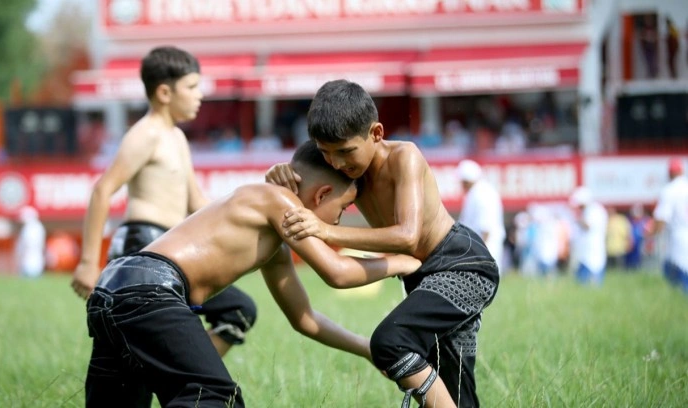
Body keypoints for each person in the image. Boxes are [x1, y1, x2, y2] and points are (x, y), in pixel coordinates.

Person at [84, 140, 422, 407]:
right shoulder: (278, 202)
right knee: (214, 397)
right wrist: (402, 261)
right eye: (343, 208)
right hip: (151, 290)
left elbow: (304, 318)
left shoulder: (273, 240)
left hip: (114, 288)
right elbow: (339, 273)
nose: (337, 221)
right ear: (321, 195)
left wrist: (367, 348)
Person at [265, 79, 499, 408]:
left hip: (462, 265)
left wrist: (327, 232)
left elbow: (408, 235)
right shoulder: (346, 170)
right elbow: (306, 178)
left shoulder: (404, 157)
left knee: (391, 342)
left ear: (376, 133)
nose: (336, 163)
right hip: (421, 275)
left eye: (345, 151)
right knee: (456, 389)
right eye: (326, 153)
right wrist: (280, 176)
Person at [71, 46, 258, 360]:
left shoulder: (177, 138)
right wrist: (89, 262)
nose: (200, 95)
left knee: (236, 312)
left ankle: (184, 378)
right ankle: (187, 379)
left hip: (171, 249)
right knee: (137, 349)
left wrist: (244, 228)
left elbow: (196, 201)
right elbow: (102, 191)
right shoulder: (145, 134)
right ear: (164, 92)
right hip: (141, 245)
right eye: (192, 87)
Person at [457, 159, 506, 274]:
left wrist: (478, 253)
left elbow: (486, 227)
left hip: (484, 248)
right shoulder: (476, 192)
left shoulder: (482, 193)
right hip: (479, 247)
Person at [652, 158, 688, 293]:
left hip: (678, 239)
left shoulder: (669, 190)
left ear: (669, 173)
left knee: (678, 278)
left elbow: (661, 219)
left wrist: (652, 233)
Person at [569, 187, 608, 286]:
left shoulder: (595, 211)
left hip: (593, 252)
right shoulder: (588, 211)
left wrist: (577, 217)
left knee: (592, 283)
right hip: (585, 253)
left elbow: (587, 226)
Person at [14, 206, 46, 278]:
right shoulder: (38, 227)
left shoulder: (30, 228)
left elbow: (25, 245)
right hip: (34, 261)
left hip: (30, 262)